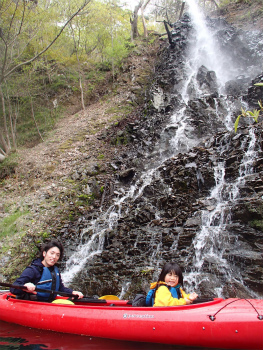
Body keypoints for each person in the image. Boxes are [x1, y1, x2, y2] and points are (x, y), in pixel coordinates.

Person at [10, 240, 83, 301]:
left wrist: (72, 292)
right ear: (44, 253)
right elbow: (13, 288)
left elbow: (60, 288)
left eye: (57, 255)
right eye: (52, 253)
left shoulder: (55, 271)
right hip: (33, 304)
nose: (54, 257)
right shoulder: (33, 270)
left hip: (48, 304)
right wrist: (25, 286)